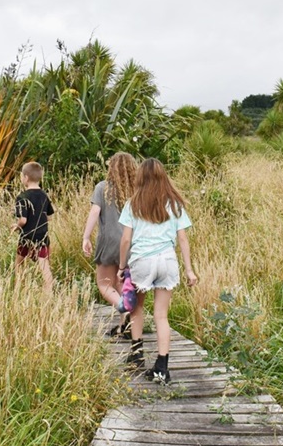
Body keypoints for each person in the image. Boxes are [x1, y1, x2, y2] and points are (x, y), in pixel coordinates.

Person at [118, 158, 198, 385]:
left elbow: (125, 240)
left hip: (142, 261)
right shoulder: (174, 204)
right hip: (167, 261)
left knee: (137, 307)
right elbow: (182, 238)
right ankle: (162, 367)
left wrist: (122, 267)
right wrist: (189, 270)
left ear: (140, 177)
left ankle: (136, 354)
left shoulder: (133, 203)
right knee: (161, 315)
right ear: (164, 176)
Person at [82, 152, 138, 337]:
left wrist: (86, 237)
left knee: (104, 284)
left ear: (111, 168)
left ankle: (125, 309)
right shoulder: (136, 190)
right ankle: (124, 326)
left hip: (109, 242)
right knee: (122, 283)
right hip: (132, 243)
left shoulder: (103, 188)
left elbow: (94, 212)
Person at [13, 161, 55, 294]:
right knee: (44, 266)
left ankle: (19, 288)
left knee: (19, 263)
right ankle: (49, 292)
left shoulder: (22, 197)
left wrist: (16, 225)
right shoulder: (44, 195)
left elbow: (23, 220)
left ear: (25, 178)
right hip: (42, 236)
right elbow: (49, 216)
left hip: (27, 237)